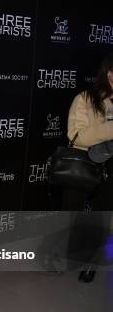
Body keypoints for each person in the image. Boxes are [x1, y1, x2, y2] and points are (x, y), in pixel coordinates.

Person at [63, 53, 113, 283]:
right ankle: (64, 254)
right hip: (86, 167)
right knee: (73, 214)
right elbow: (76, 136)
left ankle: (91, 263)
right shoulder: (85, 99)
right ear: (108, 72)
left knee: (103, 217)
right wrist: (109, 128)